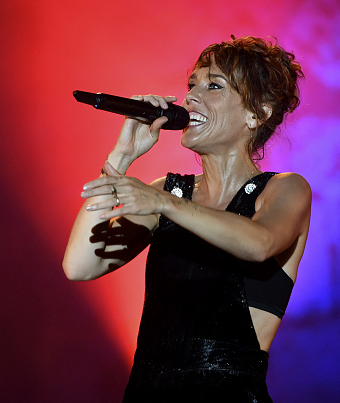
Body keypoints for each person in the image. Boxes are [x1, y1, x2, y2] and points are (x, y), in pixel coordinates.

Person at [62, 36, 311, 402]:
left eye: (213, 86)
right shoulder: (169, 193)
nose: (192, 96)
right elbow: (80, 265)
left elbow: (259, 243)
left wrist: (165, 203)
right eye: (191, 84)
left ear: (256, 112)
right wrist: (121, 157)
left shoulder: (284, 189)